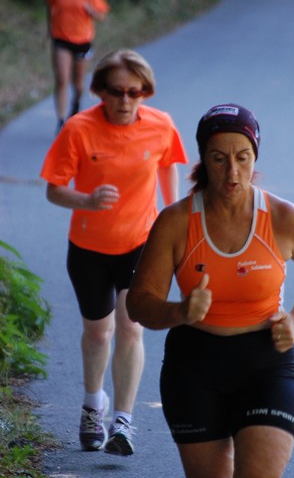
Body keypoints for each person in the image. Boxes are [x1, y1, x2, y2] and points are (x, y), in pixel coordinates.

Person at [126, 104, 294, 478]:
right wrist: (181, 311)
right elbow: (139, 303)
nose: (232, 170)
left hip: (266, 359)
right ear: (203, 159)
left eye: (242, 157)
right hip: (195, 363)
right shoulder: (177, 221)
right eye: (219, 158)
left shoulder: (282, 218)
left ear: (254, 157)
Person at [40, 48, 188, 456]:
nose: (126, 101)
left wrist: (169, 214)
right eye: (118, 91)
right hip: (89, 249)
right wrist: (86, 201)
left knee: (131, 327)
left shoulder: (159, 125)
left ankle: (123, 421)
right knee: (97, 332)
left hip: (140, 244)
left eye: (136, 92)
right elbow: (53, 189)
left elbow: (167, 162)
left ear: (145, 92)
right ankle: (93, 406)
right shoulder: (79, 129)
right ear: (100, 90)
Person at [45, 0, 110, 132]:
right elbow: (50, 7)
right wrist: (50, 28)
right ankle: (61, 121)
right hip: (61, 39)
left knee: (78, 84)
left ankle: (75, 104)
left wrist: (92, 12)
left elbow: (102, 15)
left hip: (83, 41)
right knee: (62, 78)